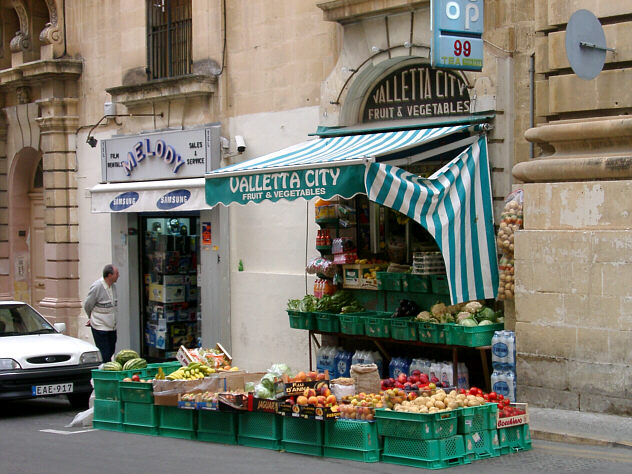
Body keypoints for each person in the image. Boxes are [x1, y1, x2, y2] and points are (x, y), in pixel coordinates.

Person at [84, 264, 119, 363]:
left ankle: (105, 367)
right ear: (109, 275)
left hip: (111, 326)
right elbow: (88, 304)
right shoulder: (97, 287)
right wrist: (91, 317)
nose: (118, 276)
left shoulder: (113, 287)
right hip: (100, 325)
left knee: (111, 349)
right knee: (105, 353)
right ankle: (105, 371)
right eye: (116, 273)